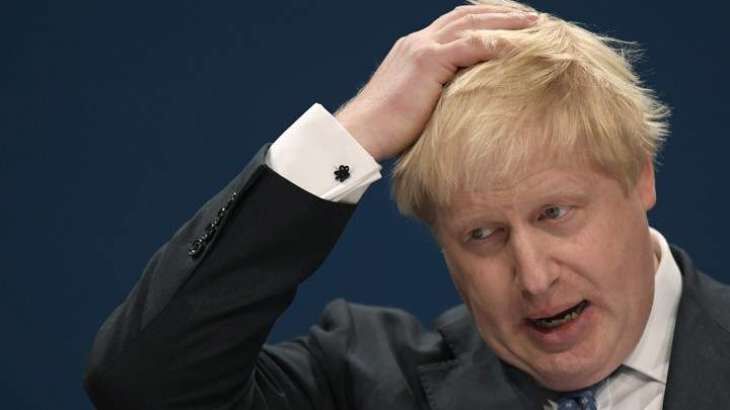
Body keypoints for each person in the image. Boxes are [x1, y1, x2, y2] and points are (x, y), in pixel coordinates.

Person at [83, 0, 730, 409]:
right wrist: (350, 137)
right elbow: (146, 386)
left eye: (554, 213)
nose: (534, 279)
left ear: (640, 178)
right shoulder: (367, 384)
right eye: (482, 234)